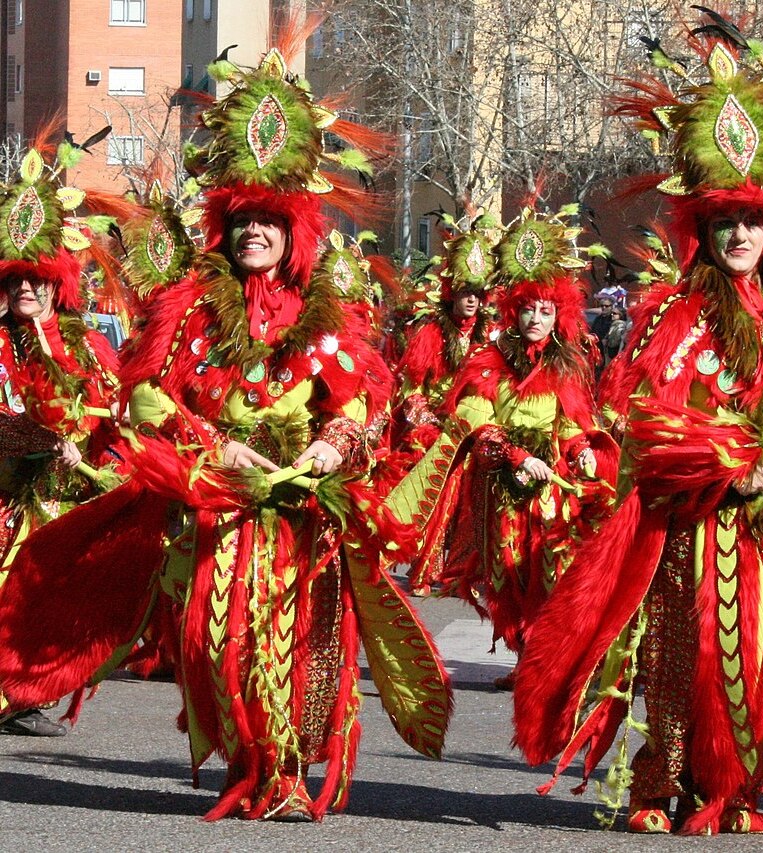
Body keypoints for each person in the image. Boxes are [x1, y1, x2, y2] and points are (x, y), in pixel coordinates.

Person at [0, 40, 452, 821]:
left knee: (296, 642)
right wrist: (216, 445)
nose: (253, 235)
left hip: (300, 506)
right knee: (219, 645)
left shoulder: (324, 318)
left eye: (267, 223)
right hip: (218, 503)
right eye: (240, 221)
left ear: (292, 231)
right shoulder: (191, 310)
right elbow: (147, 400)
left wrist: (328, 443)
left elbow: (357, 403)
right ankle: (248, 759)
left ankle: (278, 774)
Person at [513, 25, 763, 835]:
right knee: (683, 656)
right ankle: (657, 786)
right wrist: (729, 462)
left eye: (751, 221)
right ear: (699, 230)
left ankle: (737, 789)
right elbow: (644, 415)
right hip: (692, 522)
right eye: (723, 222)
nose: (738, 236)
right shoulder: (674, 313)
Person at [386, 207, 616, 688]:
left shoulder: (568, 365)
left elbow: (574, 425)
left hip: (551, 486)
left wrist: (584, 454)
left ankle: (554, 657)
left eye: (546, 310)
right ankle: (524, 658)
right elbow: (479, 423)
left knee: (552, 568)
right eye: (528, 309)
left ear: (560, 315)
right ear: (514, 311)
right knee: (506, 576)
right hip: (499, 484)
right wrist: (514, 455)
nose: (536, 318)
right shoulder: (490, 359)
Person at [0, 139, 126, 737]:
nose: (27, 291)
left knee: (49, 597)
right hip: (7, 490)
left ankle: (25, 692)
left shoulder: (86, 343)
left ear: (59, 285)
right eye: (18, 281)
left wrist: (87, 448)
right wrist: (32, 436)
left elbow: (114, 412)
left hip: (62, 492)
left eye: (38, 282)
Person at [392, 212, 499, 594]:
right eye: (466, 292)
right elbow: (411, 387)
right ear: (452, 291)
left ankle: (465, 572)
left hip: (479, 428)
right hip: (440, 429)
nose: (472, 300)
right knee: (442, 493)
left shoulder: (494, 334)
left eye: (479, 293)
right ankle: (429, 566)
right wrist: (426, 423)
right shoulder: (431, 332)